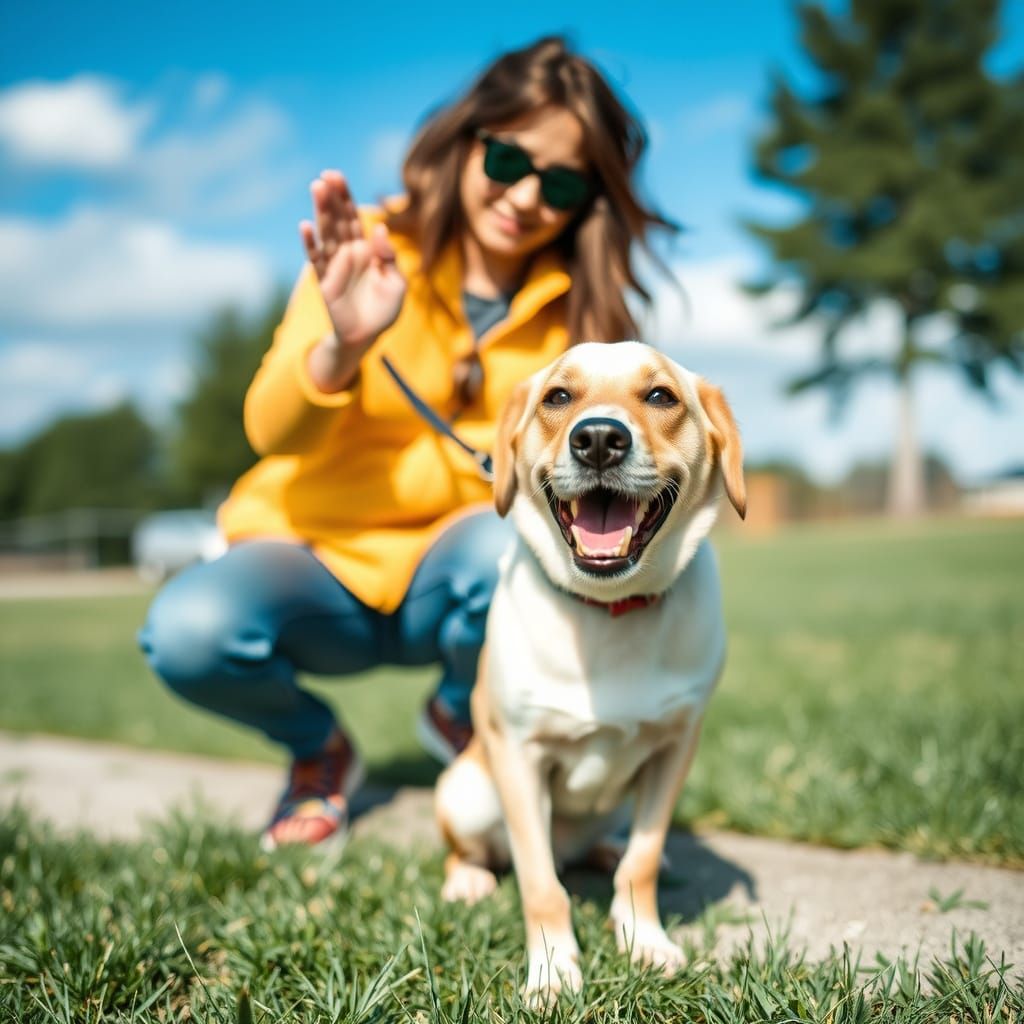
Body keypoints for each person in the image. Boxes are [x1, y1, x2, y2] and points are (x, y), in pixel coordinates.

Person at [139, 35, 677, 849]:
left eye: (561, 183)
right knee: (187, 632)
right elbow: (270, 430)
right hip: (312, 555)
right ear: (467, 140)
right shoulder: (366, 247)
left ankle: (465, 714)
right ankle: (318, 751)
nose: (527, 196)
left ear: (586, 200)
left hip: (463, 569)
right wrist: (342, 346)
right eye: (508, 161)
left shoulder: (586, 317)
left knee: (530, 546)